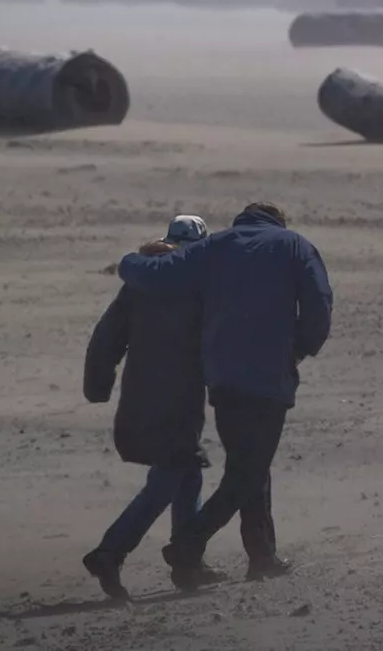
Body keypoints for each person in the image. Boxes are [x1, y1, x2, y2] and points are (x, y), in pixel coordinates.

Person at [117, 201, 333, 590]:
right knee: (248, 470)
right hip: (269, 377)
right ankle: (187, 543)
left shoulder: (216, 245)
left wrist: (128, 262)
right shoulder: (294, 245)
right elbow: (319, 302)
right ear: (278, 222)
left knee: (249, 465)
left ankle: (262, 556)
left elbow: (161, 273)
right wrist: (300, 348)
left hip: (223, 378)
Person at [81, 215, 226, 600]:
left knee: (187, 471)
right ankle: (110, 552)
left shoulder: (138, 285)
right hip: (176, 398)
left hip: (142, 394)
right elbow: (217, 339)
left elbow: (106, 337)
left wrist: (97, 385)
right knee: (169, 476)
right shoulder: (198, 285)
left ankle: (188, 561)